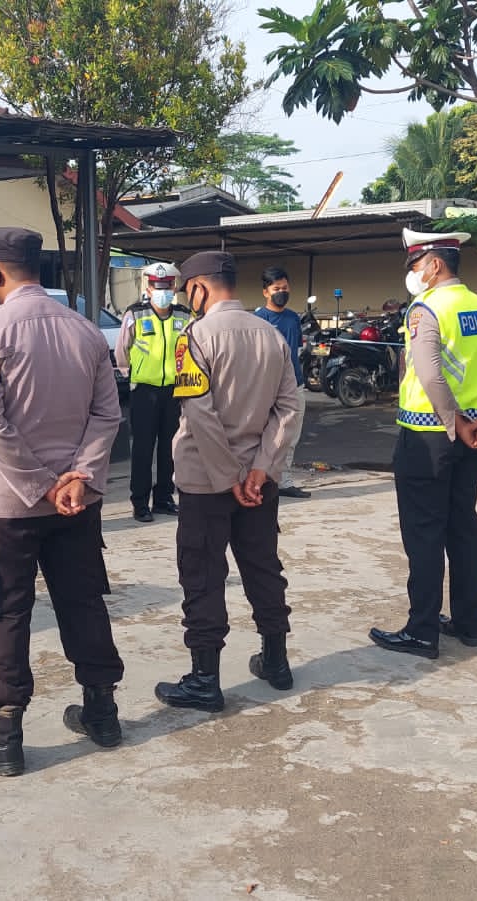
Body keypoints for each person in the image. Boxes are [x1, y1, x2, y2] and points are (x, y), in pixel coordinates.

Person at [0, 227, 126, 777]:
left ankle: (5, 736)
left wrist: (39, 483)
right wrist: (77, 478)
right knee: (83, 602)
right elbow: (107, 415)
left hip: (7, 504)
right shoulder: (86, 331)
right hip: (76, 502)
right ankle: (102, 713)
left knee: (4, 611)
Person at [154, 251, 302, 713]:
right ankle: (276, 661)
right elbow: (289, 407)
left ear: (199, 287)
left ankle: (205, 679)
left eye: (187, 291)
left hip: (206, 481)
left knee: (202, 574)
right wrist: (261, 468)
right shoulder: (271, 334)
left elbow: (199, 414)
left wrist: (228, 476)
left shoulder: (195, 337)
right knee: (262, 565)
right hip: (259, 482)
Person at [370, 230, 477, 659]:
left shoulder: (427, 308)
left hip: (428, 438)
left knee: (424, 533)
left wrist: (454, 422)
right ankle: (469, 623)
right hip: (473, 437)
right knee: (463, 526)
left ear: (434, 265)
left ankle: (422, 630)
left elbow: (430, 373)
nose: (413, 274)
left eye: (415, 265)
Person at [116, 261, 191, 523]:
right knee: (143, 449)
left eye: (167, 287)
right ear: (148, 288)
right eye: (157, 287)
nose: (162, 292)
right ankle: (140, 502)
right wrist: (131, 375)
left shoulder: (184, 316)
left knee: (170, 448)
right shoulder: (135, 314)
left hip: (174, 391)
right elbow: (122, 350)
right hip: (143, 390)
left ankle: (164, 498)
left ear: (174, 288)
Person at [253, 266, 311, 499]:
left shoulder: (293, 318)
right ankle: (260, 478)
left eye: (285, 288)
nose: (282, 292)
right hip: (268, 387)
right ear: (265, 292)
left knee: (291, 435)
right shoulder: (259, 319)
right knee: (264, 434)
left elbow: (297, 350)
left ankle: (283, 481)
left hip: (294, 385)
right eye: (276, 289)